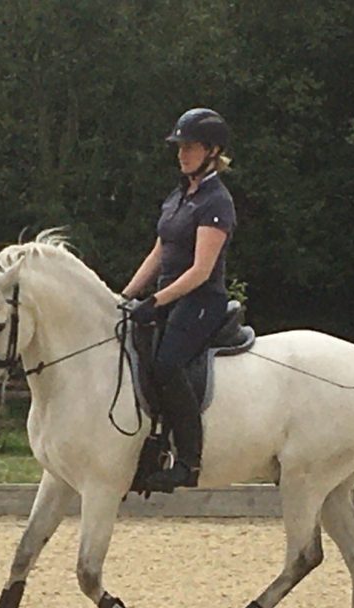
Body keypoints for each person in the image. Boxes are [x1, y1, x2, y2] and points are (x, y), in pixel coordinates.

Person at [120, 107, 237, 492]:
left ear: (212, 151)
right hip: (171, 296)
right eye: (180, 147)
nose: (182, 154)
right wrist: (125, 297)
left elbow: (201, 271)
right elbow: (158, 254)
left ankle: (188, 460)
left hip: (202, 299)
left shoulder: (216, 202)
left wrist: (155, 302)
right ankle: (150, 447)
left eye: (190, 147)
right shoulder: (178, 196)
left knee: (167, 363)